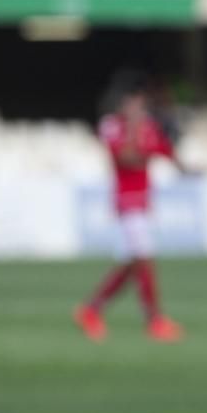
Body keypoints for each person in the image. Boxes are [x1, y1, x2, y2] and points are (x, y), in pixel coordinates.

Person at [74, 84, 187, 343]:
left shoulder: (147, 127)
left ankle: (90, 310)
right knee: (143, 259)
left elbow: (165, 150)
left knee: (131, 265)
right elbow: (126, 158)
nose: (137, 109)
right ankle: (155, 321)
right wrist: (137, 133)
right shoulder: (112, 126)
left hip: (142, 203)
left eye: (140, 104)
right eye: (133, 103)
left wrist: (187, 168)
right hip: (127, 204)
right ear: (123, 104)